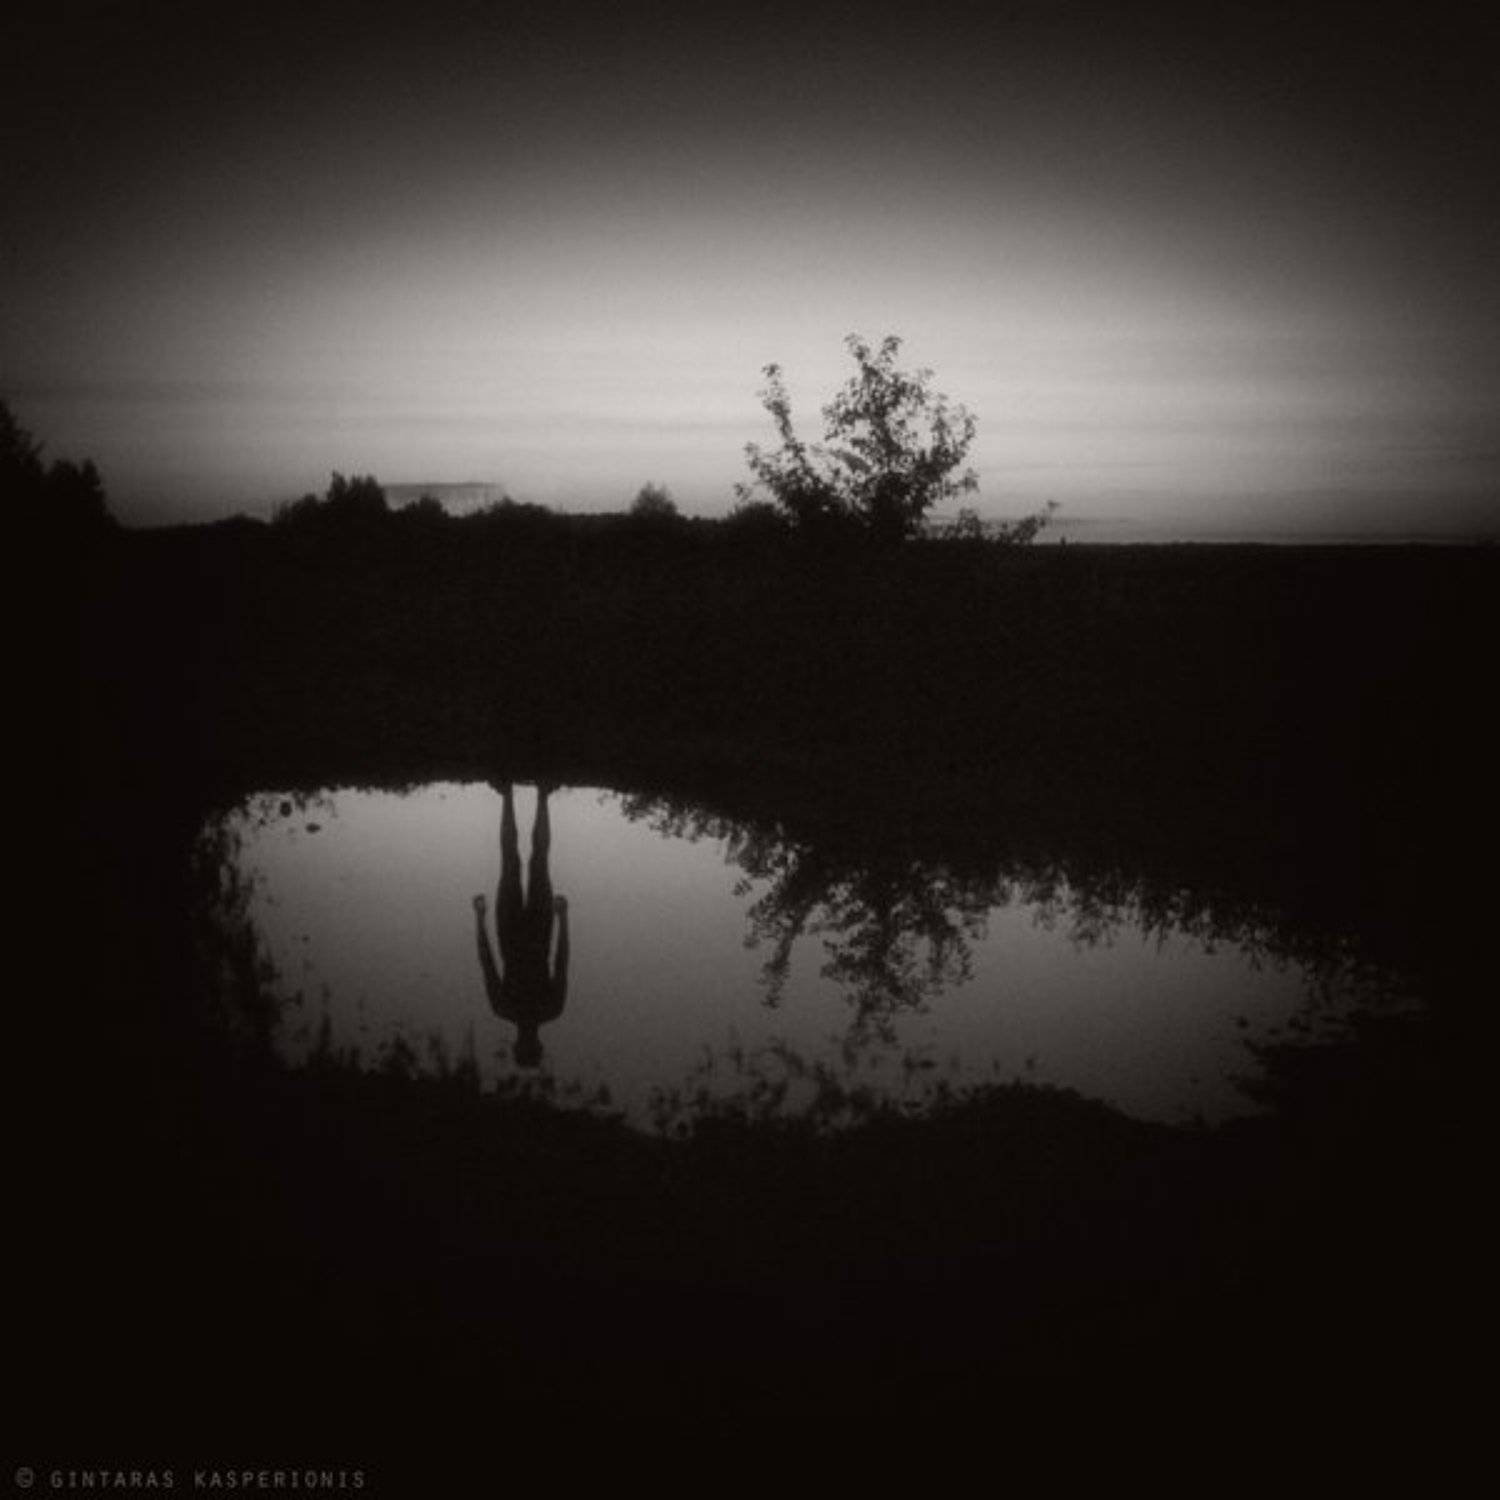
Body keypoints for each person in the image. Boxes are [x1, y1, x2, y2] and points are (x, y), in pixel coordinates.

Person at [473, 782, 569, 1066]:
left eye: (522, 1048)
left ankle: (510, 794)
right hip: (537, 932)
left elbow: (487, 963)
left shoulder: (505, 1008)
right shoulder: (549, 1009)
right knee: (535, 860)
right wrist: (563, 918)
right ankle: (541, 793)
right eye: (529, 1048)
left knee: (513, 861)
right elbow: (562, 962)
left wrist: (479, 919)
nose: (525, 1042)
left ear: (519, 1045)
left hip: (512, 931)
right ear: (535, 1045)